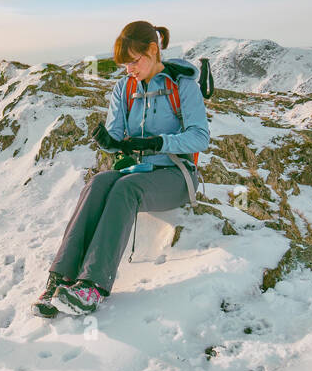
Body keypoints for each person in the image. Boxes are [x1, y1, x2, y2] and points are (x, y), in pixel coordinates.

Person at [34, 21, 210, 317]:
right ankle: (60, 278)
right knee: (99, 182)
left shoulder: (183, 86)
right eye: (124, 64)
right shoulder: (124, 88)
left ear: (153, 51)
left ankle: (93, 286)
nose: (129, 69)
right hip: (138, 170)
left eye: (134, 61)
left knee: (125, 190)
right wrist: (109, 142)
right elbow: (118, 137)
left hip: (176, 176)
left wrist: (159, 142)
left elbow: (200, 137)